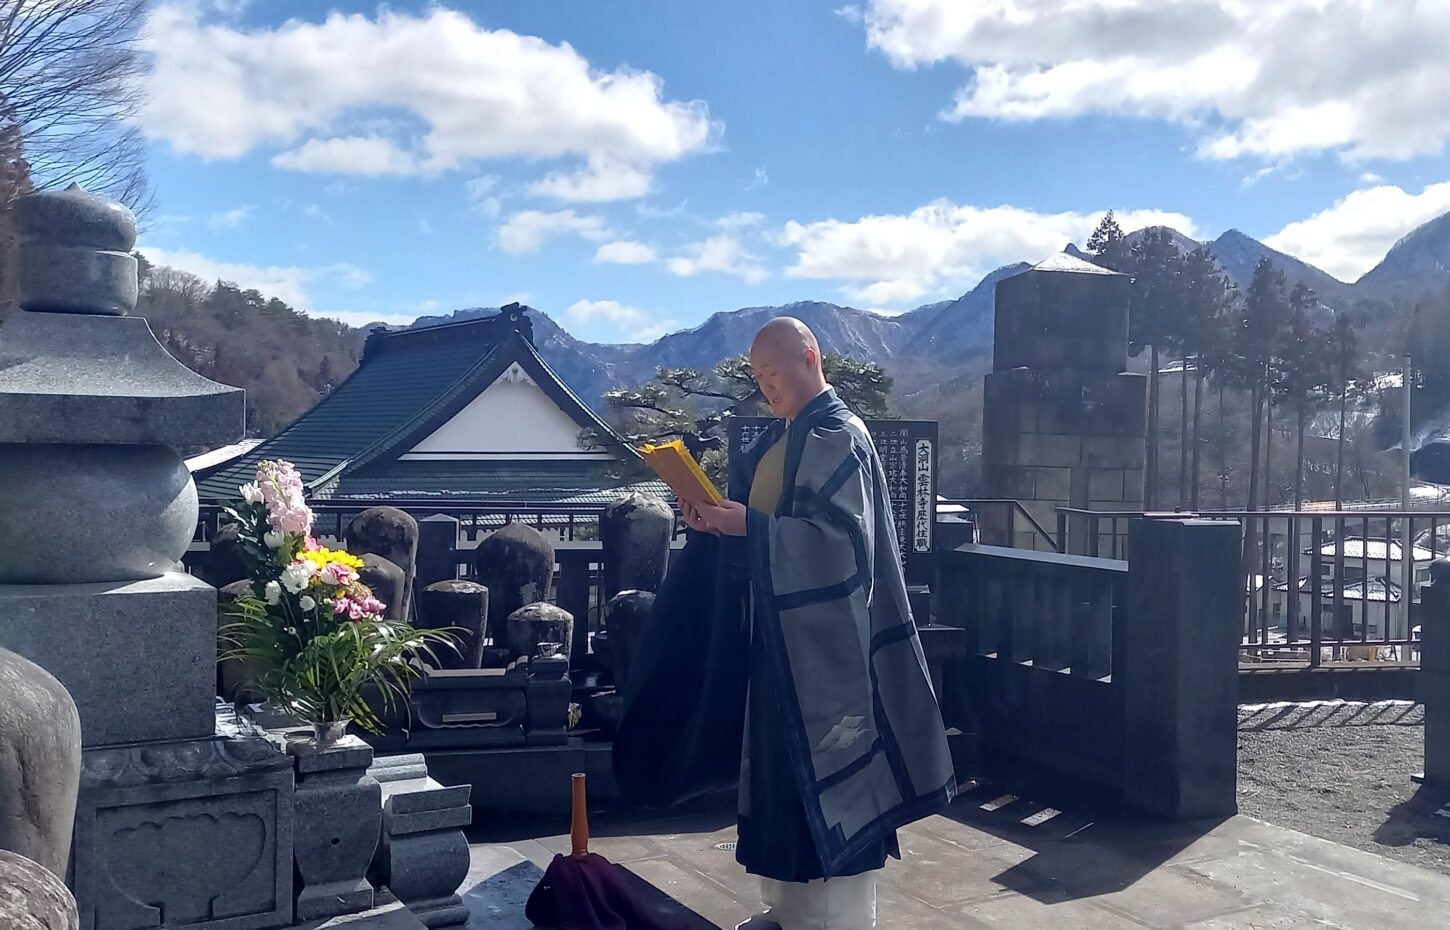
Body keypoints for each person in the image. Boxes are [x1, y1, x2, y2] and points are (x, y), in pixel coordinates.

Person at [614, 317, 954, 930]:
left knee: (834, 780)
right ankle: (785, 911)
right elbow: (764, 540)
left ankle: (838, 921)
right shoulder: (784, 441)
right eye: (759, 376)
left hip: (831, 652)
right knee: (778, 779)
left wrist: (749, 525)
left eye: (774, 371)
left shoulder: (839, 436)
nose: (766, 385)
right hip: (778, 644)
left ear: (810, 357)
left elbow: (843, 547)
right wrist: (716, 523)